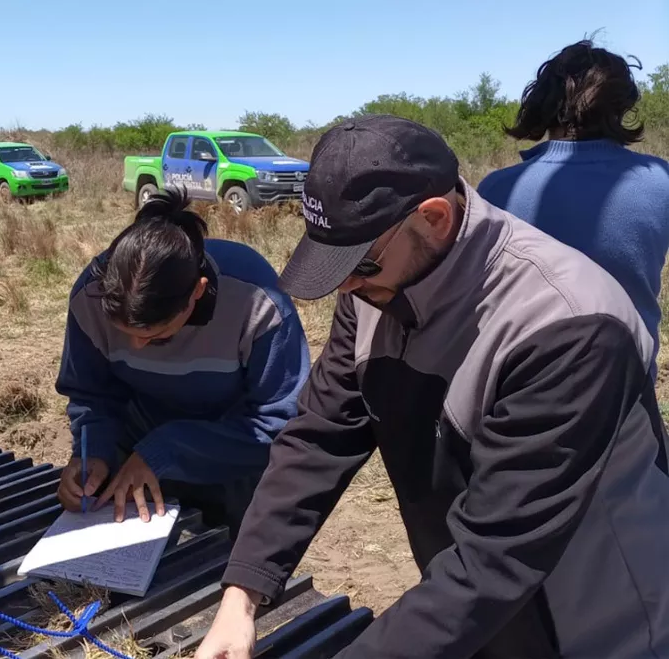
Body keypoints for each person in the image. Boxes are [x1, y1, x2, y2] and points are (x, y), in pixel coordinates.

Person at [194, 114, 669, 659]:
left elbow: (497, 555)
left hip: (593, 622)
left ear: (435, 218)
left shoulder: (567, 326)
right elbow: (318, 437)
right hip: (476, 607)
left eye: (360, 264)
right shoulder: (375, 284)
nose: (346, 285)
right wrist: (242, 595)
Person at [54, 187, 310, 539]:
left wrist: (167, 449)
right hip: (133, 455)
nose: (136, 347)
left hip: (232, 456)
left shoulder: (255, 300)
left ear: (197, 292)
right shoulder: (90, 297)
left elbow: (280, 421)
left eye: (157, 336)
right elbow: (91, 393)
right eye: (122, 332)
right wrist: (92, 453)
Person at [477, 39, 669, 379]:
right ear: (620, 105)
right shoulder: (660, 181)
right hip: (628, 389)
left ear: (543, 101)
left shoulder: (497, 189)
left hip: (520, 389)